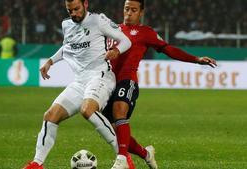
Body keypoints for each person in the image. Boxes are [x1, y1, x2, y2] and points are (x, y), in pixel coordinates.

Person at [103, 0, 217, 169]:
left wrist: (196, 59)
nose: (129, 13)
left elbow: (168, 49)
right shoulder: (112, 30)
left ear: (141, 12)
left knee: (120, 110)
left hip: (128, 81)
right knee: (114, 131)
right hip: (107, 83)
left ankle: (121, 159)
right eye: (126, 9)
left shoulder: (145, 32)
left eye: (134, 10)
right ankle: (146, 154)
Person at [23, 0, 132, 168]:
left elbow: (126, 41)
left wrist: (116, 51)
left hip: (100, 76)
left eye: (76, 9)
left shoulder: (98, 20)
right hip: (80, 81)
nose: (74, 13)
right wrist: (50, 61)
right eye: (70, 10)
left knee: (87, 110)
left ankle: (123, 158)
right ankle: (37, 164)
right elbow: (67, 47)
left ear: (85, 4)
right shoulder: (66, 25)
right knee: (50, 116)